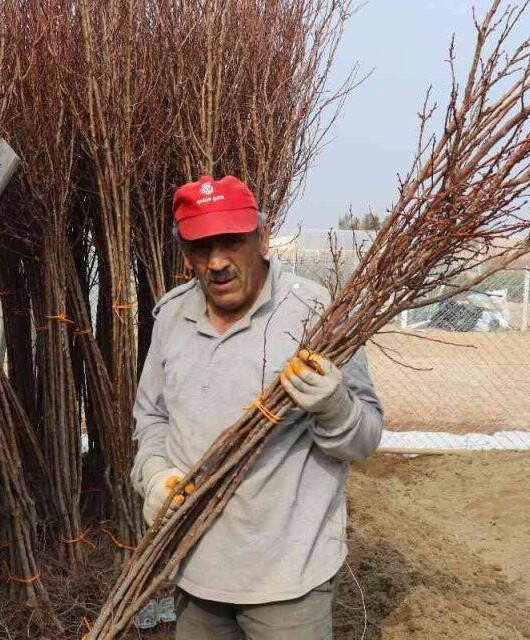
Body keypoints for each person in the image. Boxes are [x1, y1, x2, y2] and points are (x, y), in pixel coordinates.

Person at [132, 175, 384, 639]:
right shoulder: (171, 317)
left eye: (232, 242)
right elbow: (151, 417)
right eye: (200, 248)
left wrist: (334, 407)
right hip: (195, 567)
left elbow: (365, 437)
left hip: (288, 576)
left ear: (262, 239)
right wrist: (155, 476)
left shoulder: (314, 314)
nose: (217, 262)